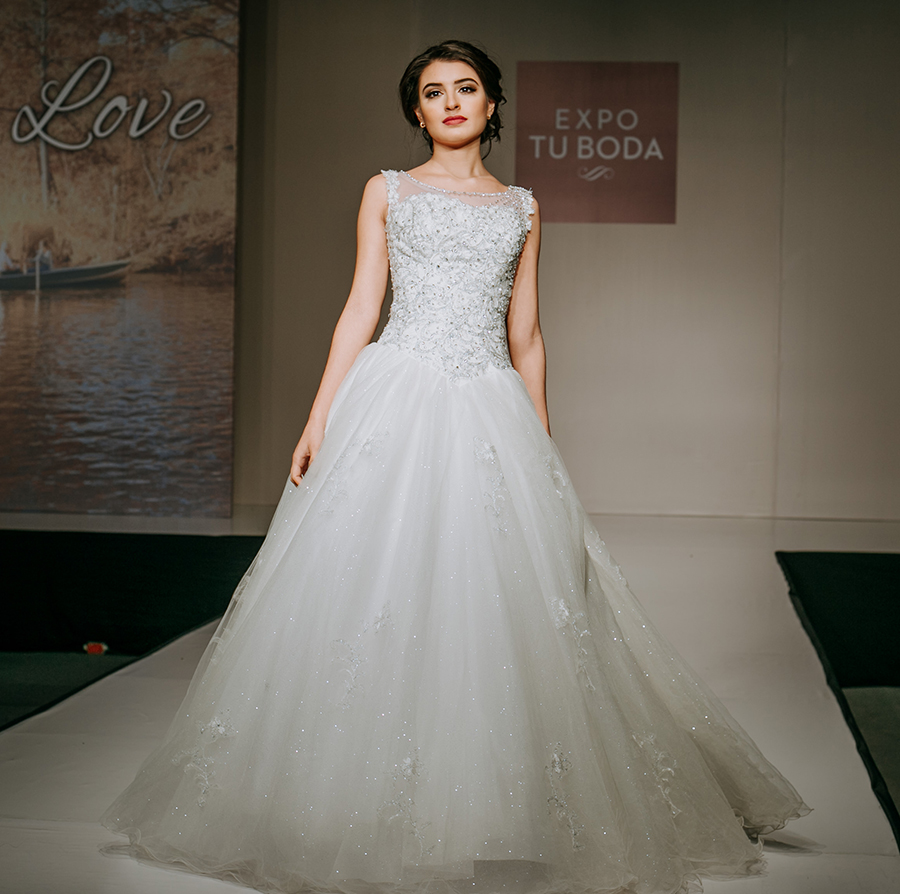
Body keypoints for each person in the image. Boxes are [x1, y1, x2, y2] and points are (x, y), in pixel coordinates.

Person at [101, 40, 809, 894]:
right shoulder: (388, 190)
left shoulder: (522, 207)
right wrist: (319, 416)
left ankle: (493, 804)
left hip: (489, 405)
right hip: (395, 397)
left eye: (465, 88)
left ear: (492, 102)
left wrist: (540, 441)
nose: (450, 102)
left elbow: (528, 334)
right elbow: (361, 307)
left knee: (498, 599)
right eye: (433, 92)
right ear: (416, 110)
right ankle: (344, 804)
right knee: (373, 586)